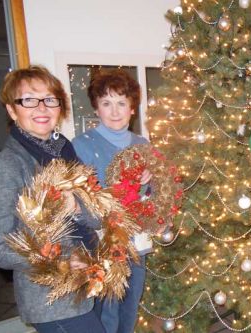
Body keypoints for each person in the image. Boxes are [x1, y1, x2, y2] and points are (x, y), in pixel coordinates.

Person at [0, 65, 105, 333]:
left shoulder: (64, 151)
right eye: (29, 100)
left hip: (89, 281)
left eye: (49, 99)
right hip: (52, 301)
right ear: (12, 110)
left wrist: (77, 207)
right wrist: (62, 262)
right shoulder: (5, 167)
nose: (42, 108)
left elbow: (95, 215)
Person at [72, 69, 152, 333]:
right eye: (107, 103)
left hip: (136, 244)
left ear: (132, 109)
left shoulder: (142, 144)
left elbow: (152, 196)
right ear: (96, 108)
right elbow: (81, 200)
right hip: (101, 247)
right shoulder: (81, 145)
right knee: (104, 315)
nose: (115, 111)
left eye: (121, 103)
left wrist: (150, 182)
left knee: (129, 311)